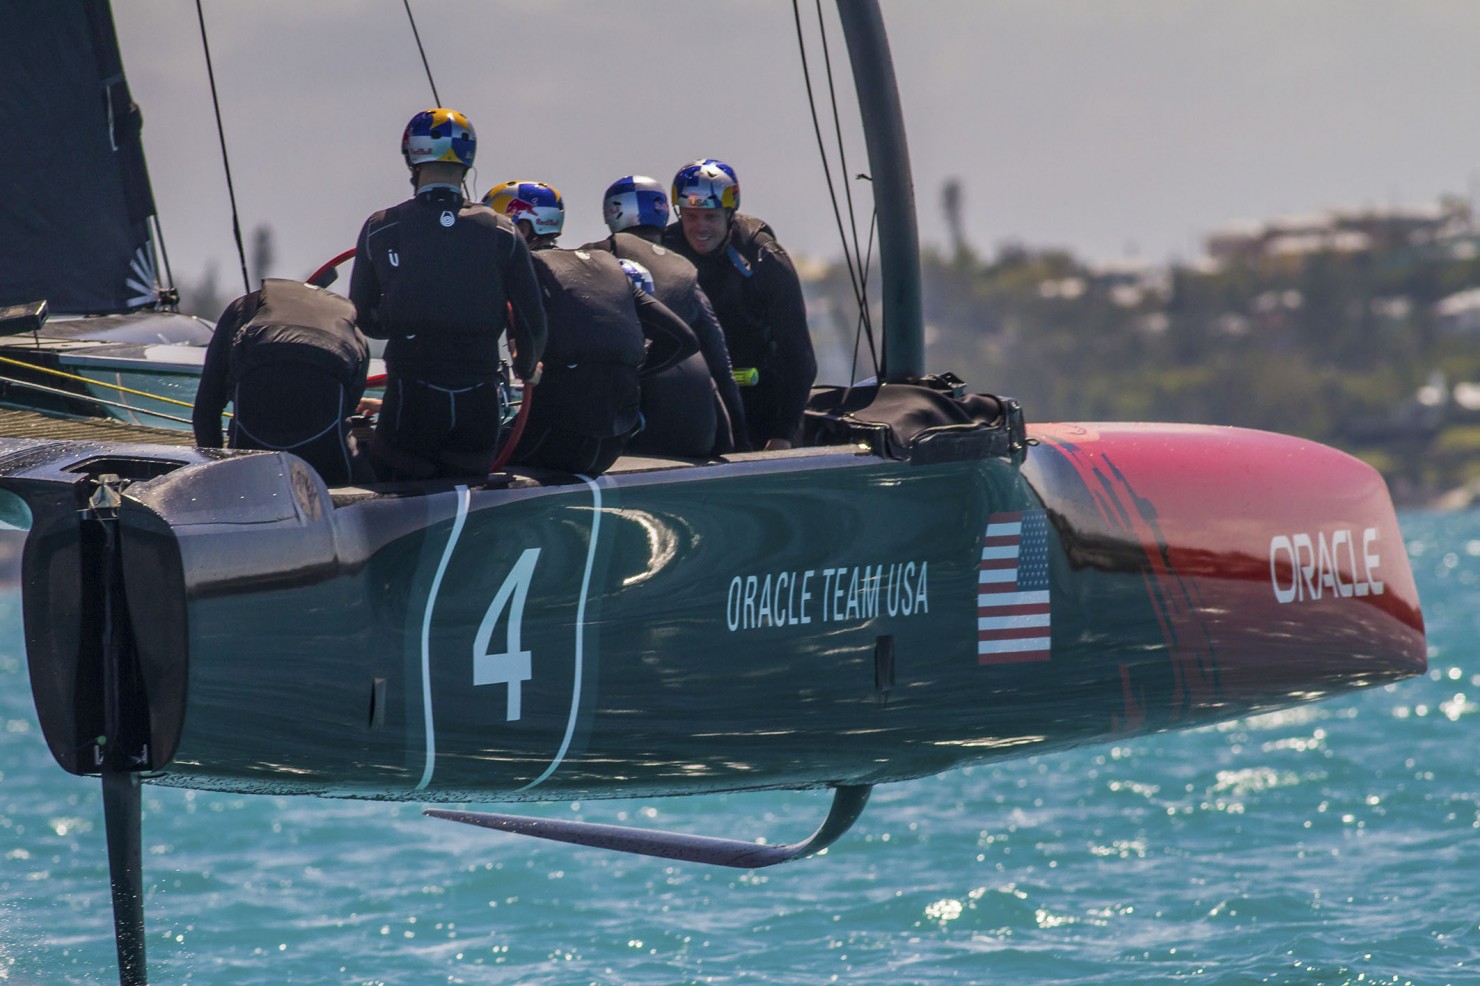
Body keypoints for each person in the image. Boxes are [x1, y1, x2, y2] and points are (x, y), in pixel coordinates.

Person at [348, 107, 546, 479]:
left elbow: (362, 319)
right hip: (480, 397)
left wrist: (403, 317)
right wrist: (526, 367)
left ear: (412, 156)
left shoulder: (380, 226)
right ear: (467, 161)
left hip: (411, 394)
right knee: (469, 484)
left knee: (392, 475)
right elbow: (533, 321)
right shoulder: (503, 231)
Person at [484, 180, 698, 475]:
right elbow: (684, 340)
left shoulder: (526, 269)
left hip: (554, 442)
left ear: (522, 230)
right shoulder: (608, 264)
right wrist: (624, 371)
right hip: (612, 445)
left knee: (463, 453)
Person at [583, 175, 748, 457]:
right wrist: (742, 447)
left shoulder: (592, 257)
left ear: (611, 214)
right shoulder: (683, 268)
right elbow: (721, 366)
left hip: (630, 437)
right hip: (697, 434)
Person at [663, 159, 816, 450]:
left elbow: (799, 357)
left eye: (710, 217)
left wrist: (783, 434)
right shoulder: (665, 249)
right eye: (691, 216)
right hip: (696, 402)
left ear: (730, 214)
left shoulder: (765, 257)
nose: (700, 227)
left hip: (762, 403)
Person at [193, 277, 369, 486]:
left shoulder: (244, 306)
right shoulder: (351, 323)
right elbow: (347, 410)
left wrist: (219, 477)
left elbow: (205, 412)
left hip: (251, 464)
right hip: (328, 467)